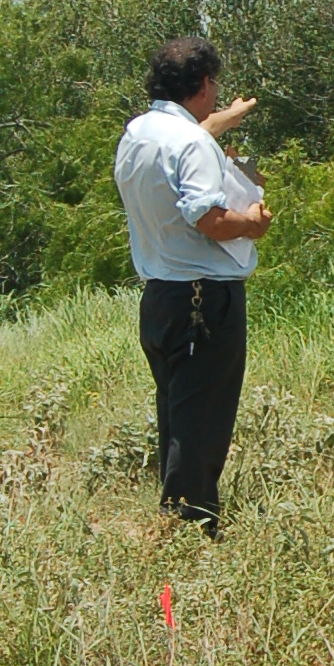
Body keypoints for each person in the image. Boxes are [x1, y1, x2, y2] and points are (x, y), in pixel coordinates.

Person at [113, 37, 272, 537]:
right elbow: (208, 217)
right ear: (204, 84)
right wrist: (251, 222)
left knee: (179, 411)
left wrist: (217, 123)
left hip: (161, 292)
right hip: (206, 296)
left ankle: (181, 515)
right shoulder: (193, 145)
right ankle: (190, 527)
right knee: (203, 420)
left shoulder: (138, 132)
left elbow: (177, 151)